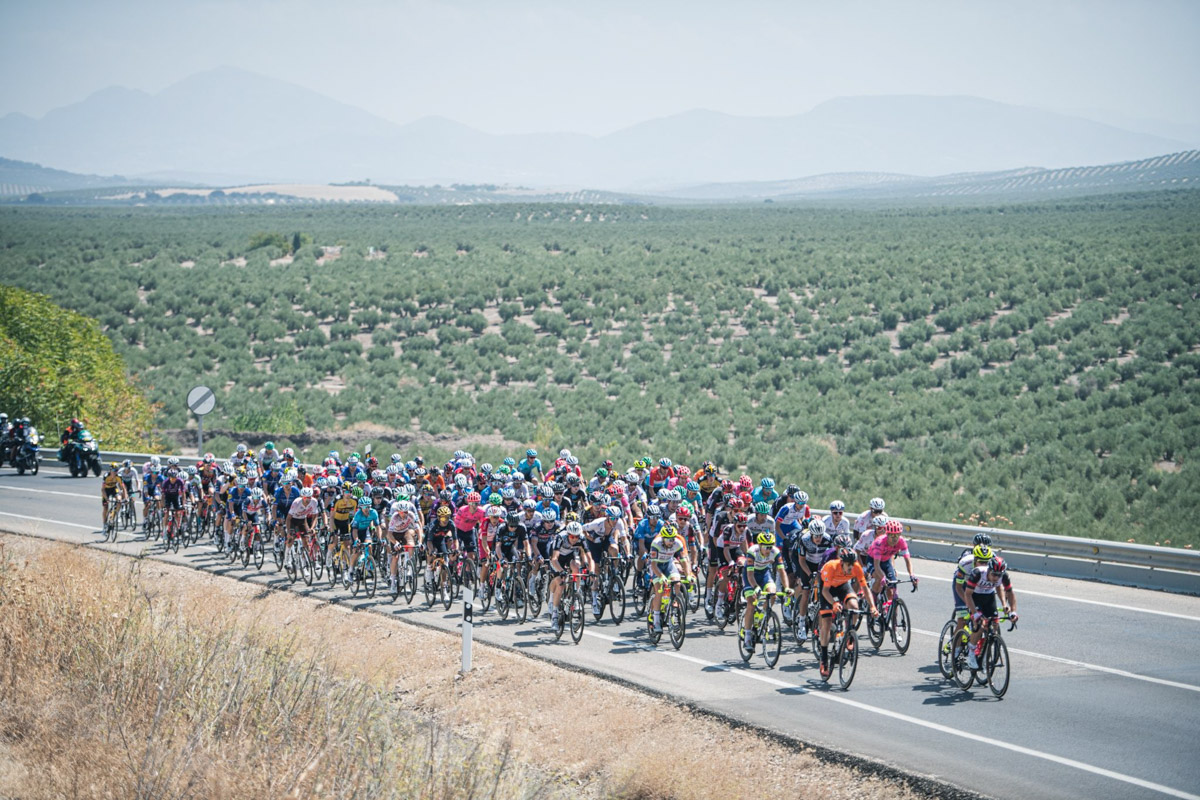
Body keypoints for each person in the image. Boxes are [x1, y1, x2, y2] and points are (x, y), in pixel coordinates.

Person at [818, 547, 878, 679]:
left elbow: (865, 589)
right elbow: (825, 591)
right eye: (848, 565)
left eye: (852, 564)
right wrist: (834, 603)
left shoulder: (856, 567)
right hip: (827, 589)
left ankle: (848, 635)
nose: (851, 568)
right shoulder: (831, 567)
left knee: (854, 606)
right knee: (827, 622)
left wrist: (873, 607)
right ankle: (823, 659)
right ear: (841, 562)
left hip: (842, 586)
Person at [963, 557, 1018, 670]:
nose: (996, 577)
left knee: (994, 624)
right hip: (974, 596)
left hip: (989, 597)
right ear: (988, 570)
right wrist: (975, 614)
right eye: (994, 574)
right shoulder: (978, 573)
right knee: (980, 625)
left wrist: (1011, 610)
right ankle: (971, 653)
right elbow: (967, 594)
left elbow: (1010, 593)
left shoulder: (1004, 576)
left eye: (999, 575)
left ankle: (983, 655)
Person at [741, 530, 790, 652]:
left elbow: (782, 571)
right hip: (750, 575)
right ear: (760, 545)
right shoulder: (752, 552)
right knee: (752, 602)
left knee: (772, 594)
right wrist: (756, 588)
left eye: (770, 546)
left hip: (764, 573)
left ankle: (763, 618)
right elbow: (750, 575)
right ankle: (747, 635)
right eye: (766, 546)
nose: (768, 549)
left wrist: (787, 587)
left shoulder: (775, 552)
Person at [647, 523, 693, 634]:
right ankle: (657, 620)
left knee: (677, 583)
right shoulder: (656, 543)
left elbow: (684, 561)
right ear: (663, 538)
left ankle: (674, 608)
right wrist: (661, 577)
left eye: (672, 539)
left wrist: (688, 575)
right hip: (656, 566)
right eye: (668, 540)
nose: (671, 542)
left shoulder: (677, 543)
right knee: (659, 590)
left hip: (668, 564)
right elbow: (653, 565)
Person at [100, 462, 127, 527]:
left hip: (114, 488)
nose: (115, 472)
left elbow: (123, 488)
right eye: (114, 470)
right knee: (105, 507)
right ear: (110, 470)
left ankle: (113, 516)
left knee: (119, 501)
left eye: (116, 470)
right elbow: (102, 489)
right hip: (106, 490)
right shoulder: (106, 476)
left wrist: (125, 498)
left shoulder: (119, 476)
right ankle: (104, 523)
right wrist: (106, 498)